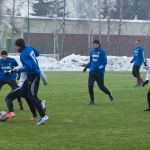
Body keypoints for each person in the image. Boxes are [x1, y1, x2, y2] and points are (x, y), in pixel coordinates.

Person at [4, 39, 48, 125]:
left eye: (16, 46)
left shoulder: (23, 55)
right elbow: (37, 53)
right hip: (31, 76)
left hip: (33, 75)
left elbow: (29, 67)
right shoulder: (29, 48)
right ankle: (37, 110)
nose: (15, 47)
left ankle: (43, 116)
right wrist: (12, 71)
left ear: (19, 46)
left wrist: (17, 71)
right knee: (24, 92)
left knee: (33, 96)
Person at [83, 40, 113, 104]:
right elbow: (91, 62)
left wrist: (99, 68)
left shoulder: (102, 52)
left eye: (96, 44)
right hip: (92, 72)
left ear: (99, 44)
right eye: (94, 44)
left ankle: (109, 93)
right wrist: (86, 67)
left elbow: (105, 62)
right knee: (90, 85)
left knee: (101, 87)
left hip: (99, 73)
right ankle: (92, 100)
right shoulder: (92, 52)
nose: (95, 45)